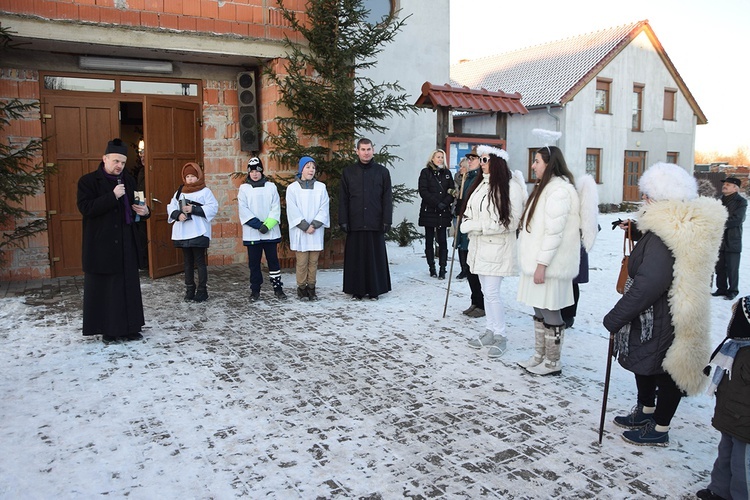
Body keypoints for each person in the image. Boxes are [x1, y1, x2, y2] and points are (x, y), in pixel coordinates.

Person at [603, 162, 726, 447]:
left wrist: (616, 316)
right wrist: (636, 232)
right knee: (648, 362)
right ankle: (647, 411)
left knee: (665, 368)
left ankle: (659, 427)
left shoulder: (662, 236)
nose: (642, 201)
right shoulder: (673, 226)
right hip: (664, 312)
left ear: (659, 198)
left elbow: (649, 283)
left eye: (646, 195)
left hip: (659, 314)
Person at [77, 138, 151, 344]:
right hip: (102, 244)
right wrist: (112, 196)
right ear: (105, 159)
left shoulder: (128, 180)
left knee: (128, 286)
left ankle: (131, 327)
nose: (119, 166)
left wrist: (145, 211)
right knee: (108, 288)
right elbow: (86, 208)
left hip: (126, 241)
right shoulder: (88, 181)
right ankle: (109, 330)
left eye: (123, 162)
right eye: (116, 161)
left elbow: (138, 205)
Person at [516, 145, 580, 376]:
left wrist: (542, 264)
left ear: (550, 163)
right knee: (539, 310)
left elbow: (555, 233)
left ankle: (553, 362)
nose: (533, 165)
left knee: (551, 311)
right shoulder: (545, 188)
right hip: (537, 263)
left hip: (550, 266)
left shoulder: (559, 191)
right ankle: (539, 356)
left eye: (537, 161)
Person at [460, 146, 526, 358]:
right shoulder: (480, 184)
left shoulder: (509, 187)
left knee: (492, 293)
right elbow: (469, 210)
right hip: (479, 247)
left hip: (497, 248)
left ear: (497, 161)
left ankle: (501, 335)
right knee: (484, 292)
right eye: (480, 159)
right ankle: (491, 330)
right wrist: (468, 223)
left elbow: (511, 221)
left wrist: (478, 226)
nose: (482, 163)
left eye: (485, 159)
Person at [697, 295, 750, 500]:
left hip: (745, 423)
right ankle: (719, 491)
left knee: (742, 465)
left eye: (734, 317)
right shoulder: (734, 348)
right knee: (725, 456)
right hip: (730, 416)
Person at [339, 138, 393, 300]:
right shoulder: (348, 172)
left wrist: (387, 220)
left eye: (368, 149)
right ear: (357, 151)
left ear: (373, 150)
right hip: (355, 222)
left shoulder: (382, 172)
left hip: (375, 222)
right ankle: (357, 290)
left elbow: (387, 198)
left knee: (374, 259)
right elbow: (343, 198)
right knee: (356, 259)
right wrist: (343, 219)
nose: (366, 152)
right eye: (363, 149)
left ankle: (375, 290)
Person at [167, 162, 219, 302]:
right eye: (188, 176)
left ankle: (202, 290)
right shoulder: (179, 191)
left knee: (200, 261)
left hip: (198, 231)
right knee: (187, 262)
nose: (190, 179)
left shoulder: (205, 191)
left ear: (198, 176)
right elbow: (171, 206)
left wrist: (193, 210)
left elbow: (213, 207)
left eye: (192, 176)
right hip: (183, 231)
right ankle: (190, 288)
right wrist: (178, 214)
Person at [238, 157, 286, 301]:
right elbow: (243, 209)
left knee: (273, 261)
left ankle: (278, 289)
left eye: (257, 170)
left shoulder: (271, 187)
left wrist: (268, 225)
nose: (255, 174)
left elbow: (275, 207)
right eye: (252, 171)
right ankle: (255, 290)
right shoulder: (244, 189)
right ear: (249, 173)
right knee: (254, 263)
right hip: (253, 233)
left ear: (261, 171)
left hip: (269, 232)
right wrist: (258, 225)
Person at [286, 156, 330, 301]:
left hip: (315, 231)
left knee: (313, 262)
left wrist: (315, 224)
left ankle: (312, 287)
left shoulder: (320, 187)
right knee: (302, 261)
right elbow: (292, 209)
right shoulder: (292, 189)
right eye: (308, 167)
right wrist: (304, 226)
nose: (311, 170)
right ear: (301, 169)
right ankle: (301, 288)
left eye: (313, 167)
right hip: (301, 231)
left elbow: (324, 207)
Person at [561, 174, 600, 329]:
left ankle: (569, 316)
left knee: (572, 284)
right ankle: (565, 314)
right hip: (569, 250)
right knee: (567, 284)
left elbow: (592, 225)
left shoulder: (582, 206)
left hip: (576, 250)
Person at [456, 148, 485, 317]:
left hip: (473, 227)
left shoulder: (481, 179)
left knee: (475, 268)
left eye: (473, 158)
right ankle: (475, 301)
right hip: (465, 225)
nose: (471, 160)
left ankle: (481, 303)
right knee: (467, 266)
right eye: (470, 158)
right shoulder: (468, 177)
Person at [417, 149, 455, 279]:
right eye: (438, 157)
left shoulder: (447, 173)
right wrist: (436, 203)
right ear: (432, 158)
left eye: (442, 157)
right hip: (429, 210)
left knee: (443, 240)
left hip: (443, 211)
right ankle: (431, 266)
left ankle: (443, 268)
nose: (440, 159)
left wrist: (445, 203)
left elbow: (452, 191)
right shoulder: (425, 172)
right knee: (429, 240)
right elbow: (423, 191)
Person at [712, 177, 747, 301]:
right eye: (724, 184)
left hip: (733, 239)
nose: (724, 186)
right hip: (719, 239)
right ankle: (721, 288)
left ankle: (732, 290)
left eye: (728, 184)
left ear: (735, 187)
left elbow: (737, 219)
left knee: (732, 267)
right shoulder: (719, 200)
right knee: (719, 267)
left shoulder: (741, 202)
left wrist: (718, 223)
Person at [453, 157, 470, 280]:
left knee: (466, 242)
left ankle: (468, 268)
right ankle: (463, 268)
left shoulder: (471, 180)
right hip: (457, 212)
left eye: (463, 167)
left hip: (467, 214)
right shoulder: (457, 179)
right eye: (460, 167)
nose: (460, 169)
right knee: (458, 241)